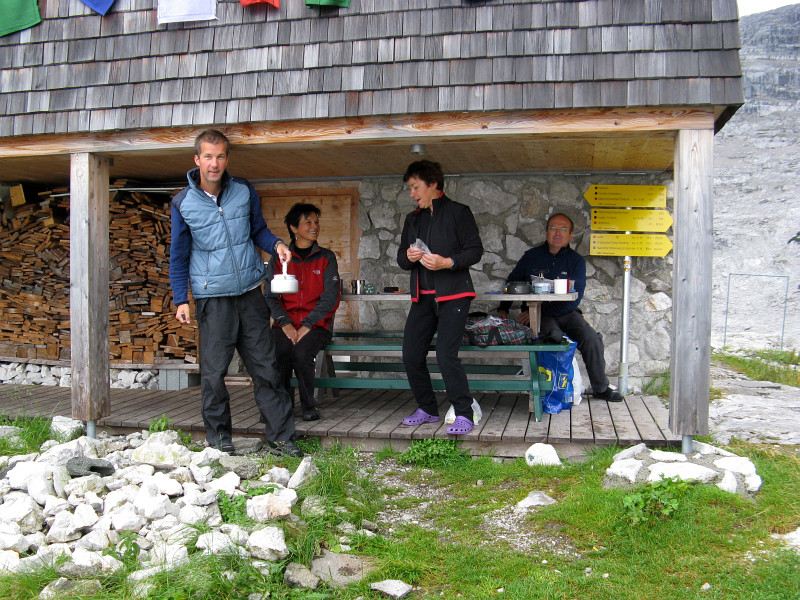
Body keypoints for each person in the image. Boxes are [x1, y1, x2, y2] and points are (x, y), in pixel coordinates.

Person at [169, 129, 303, 457]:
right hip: (213, 300)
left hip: (249, 294)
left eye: (220, 156)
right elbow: (178, 255)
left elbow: (258, 230)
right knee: (214, 374)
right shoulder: (183, 203)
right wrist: (181, 298)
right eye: (208, 157)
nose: (214, 164)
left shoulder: (243, 190)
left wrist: (277, 244)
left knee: (267, 369)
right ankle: (219, 441)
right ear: (197, 159)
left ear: (227, 159)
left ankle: (282, 439)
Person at [497, 213, 624, 402]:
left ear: (571, 235)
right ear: (546, 232)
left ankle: (600, 387)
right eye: (553, 228)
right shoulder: (531, 257)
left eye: (563, 229)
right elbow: (512, 283)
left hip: (567, 313)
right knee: (553, 339)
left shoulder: (576, 261)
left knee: (592, 339)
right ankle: (552, 390)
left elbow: (574, 300)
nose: (558, 233)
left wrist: (536, 310)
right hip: (540, 317)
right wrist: (503, 309)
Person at [397, 160, 484, 435]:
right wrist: (409, 256)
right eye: (410, 188)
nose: (412, 193)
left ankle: (464, 413)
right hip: (422, 298)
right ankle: (427, 409)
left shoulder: (459, 212)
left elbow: (475, 251)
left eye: (415, 187)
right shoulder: (413, 219)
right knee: (411, 354)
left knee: (446, 355)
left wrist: (447, 262)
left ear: (433, 184)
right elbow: (402, 259)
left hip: (455, 295)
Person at [264, 203, 340, 422]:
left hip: (318, 325)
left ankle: (309, 405)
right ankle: (282, 406)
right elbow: (270, 296)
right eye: (308, 222)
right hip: (285, 323)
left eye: (316, 221)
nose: (314, 226)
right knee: (279, 351)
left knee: (301, 353)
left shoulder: (326, 258)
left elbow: (330, 298)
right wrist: (285, 323)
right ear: (293, 228)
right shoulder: (279, 259)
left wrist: (308, 324)